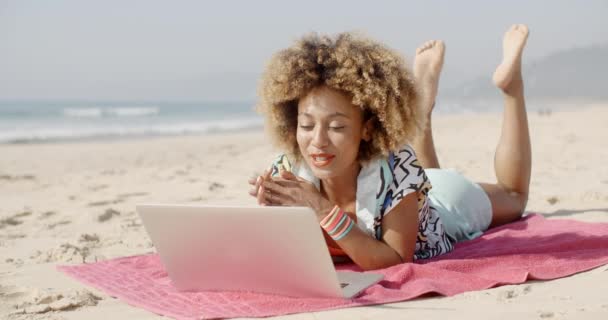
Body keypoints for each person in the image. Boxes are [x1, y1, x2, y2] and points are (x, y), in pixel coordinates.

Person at [248, 25, 531, 271]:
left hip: (448, 203)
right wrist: (273, 214)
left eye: (336, 127)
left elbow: (394, 259)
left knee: (514, 196)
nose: (317, 141)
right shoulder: (288, 170)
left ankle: (512, 90)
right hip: (416, 187)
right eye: (307, 126)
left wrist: (322, 209)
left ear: (368, 128)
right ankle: (423, 107)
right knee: (427, 169)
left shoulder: (398, 169)